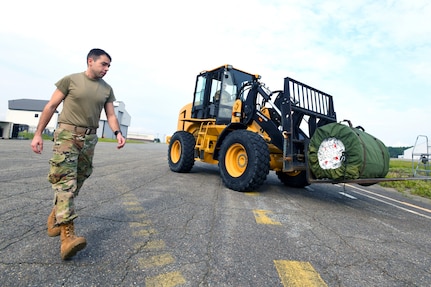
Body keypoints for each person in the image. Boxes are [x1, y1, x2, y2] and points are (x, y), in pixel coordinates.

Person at [30, 48, 126, 260]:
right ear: (90, 61)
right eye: (104, 64)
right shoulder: (70, 80)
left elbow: (110, 115)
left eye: (109, 66)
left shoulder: (107, 89)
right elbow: (51, 106)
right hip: (67, 135)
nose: (107, 69)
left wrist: (118, 132)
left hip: (89, 140)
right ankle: (67, 238)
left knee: (79, 179)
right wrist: (38, 134)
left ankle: (56, 217)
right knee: (66, 182)